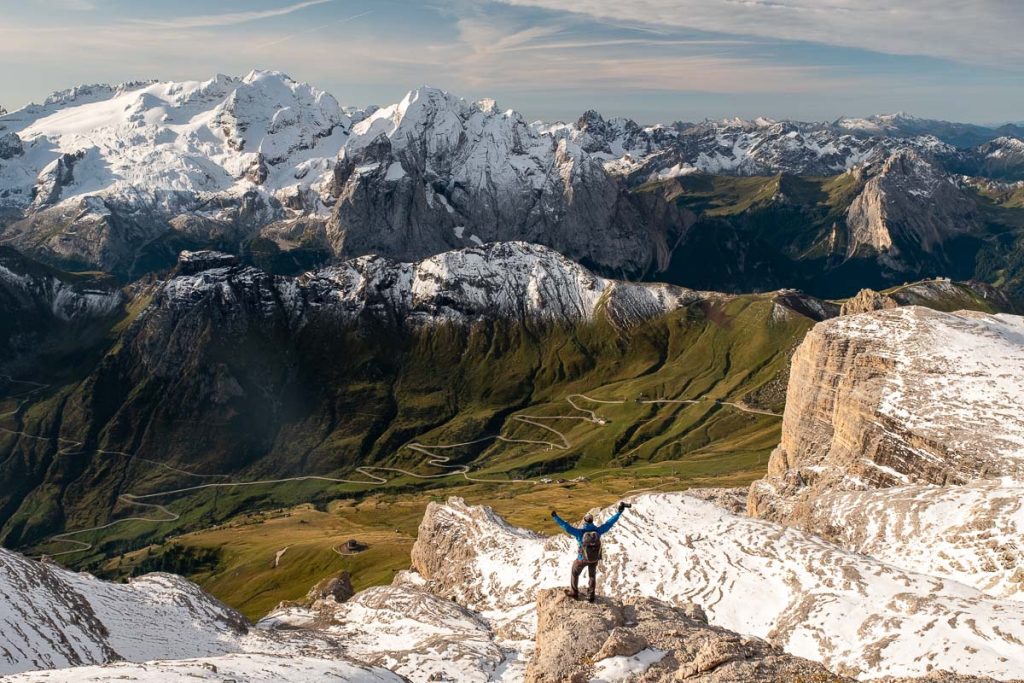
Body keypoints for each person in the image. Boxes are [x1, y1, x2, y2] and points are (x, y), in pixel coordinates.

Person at [551, 502, 629, 602]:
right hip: (594, 559)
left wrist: (555, 517)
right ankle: (591, 596)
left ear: (584, 521)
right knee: (592, 576)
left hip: (582, 559)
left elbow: (566, 526)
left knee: (574, 572)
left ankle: (574, 592)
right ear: (592, 521)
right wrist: (619, 512)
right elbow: (609, 523)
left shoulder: (580, 533)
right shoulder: (598, 531)